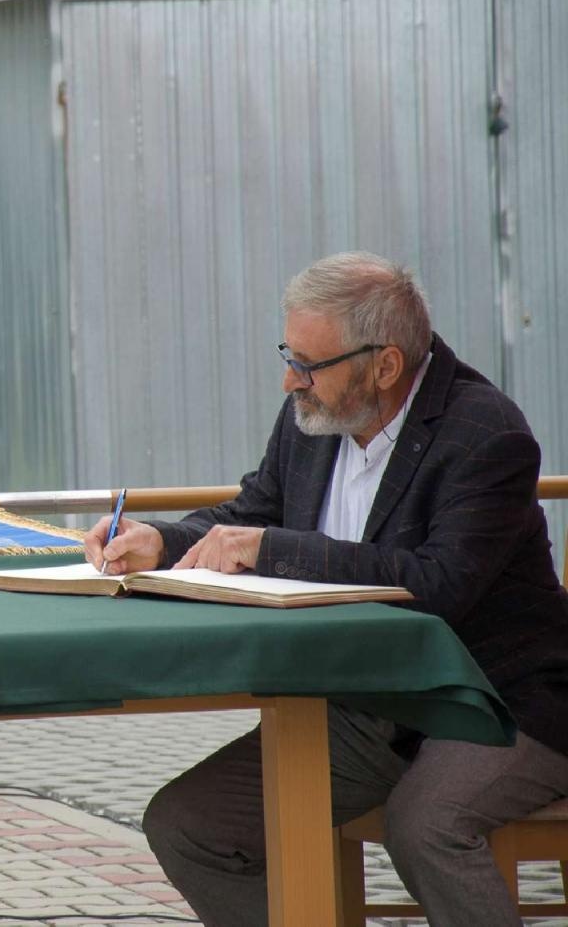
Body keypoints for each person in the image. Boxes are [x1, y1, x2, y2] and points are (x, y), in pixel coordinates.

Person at [84, 251, 568, 926]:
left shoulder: (487, 433)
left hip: (495, 700)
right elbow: (248, 518)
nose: (289, 379)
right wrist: (161, 540)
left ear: (386, 364)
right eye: (289, 353)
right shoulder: (312, 419)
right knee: (187, 824)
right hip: (365, 703)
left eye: (308, 363)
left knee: (424, 825)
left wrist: (272, 549)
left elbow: (436, 584)